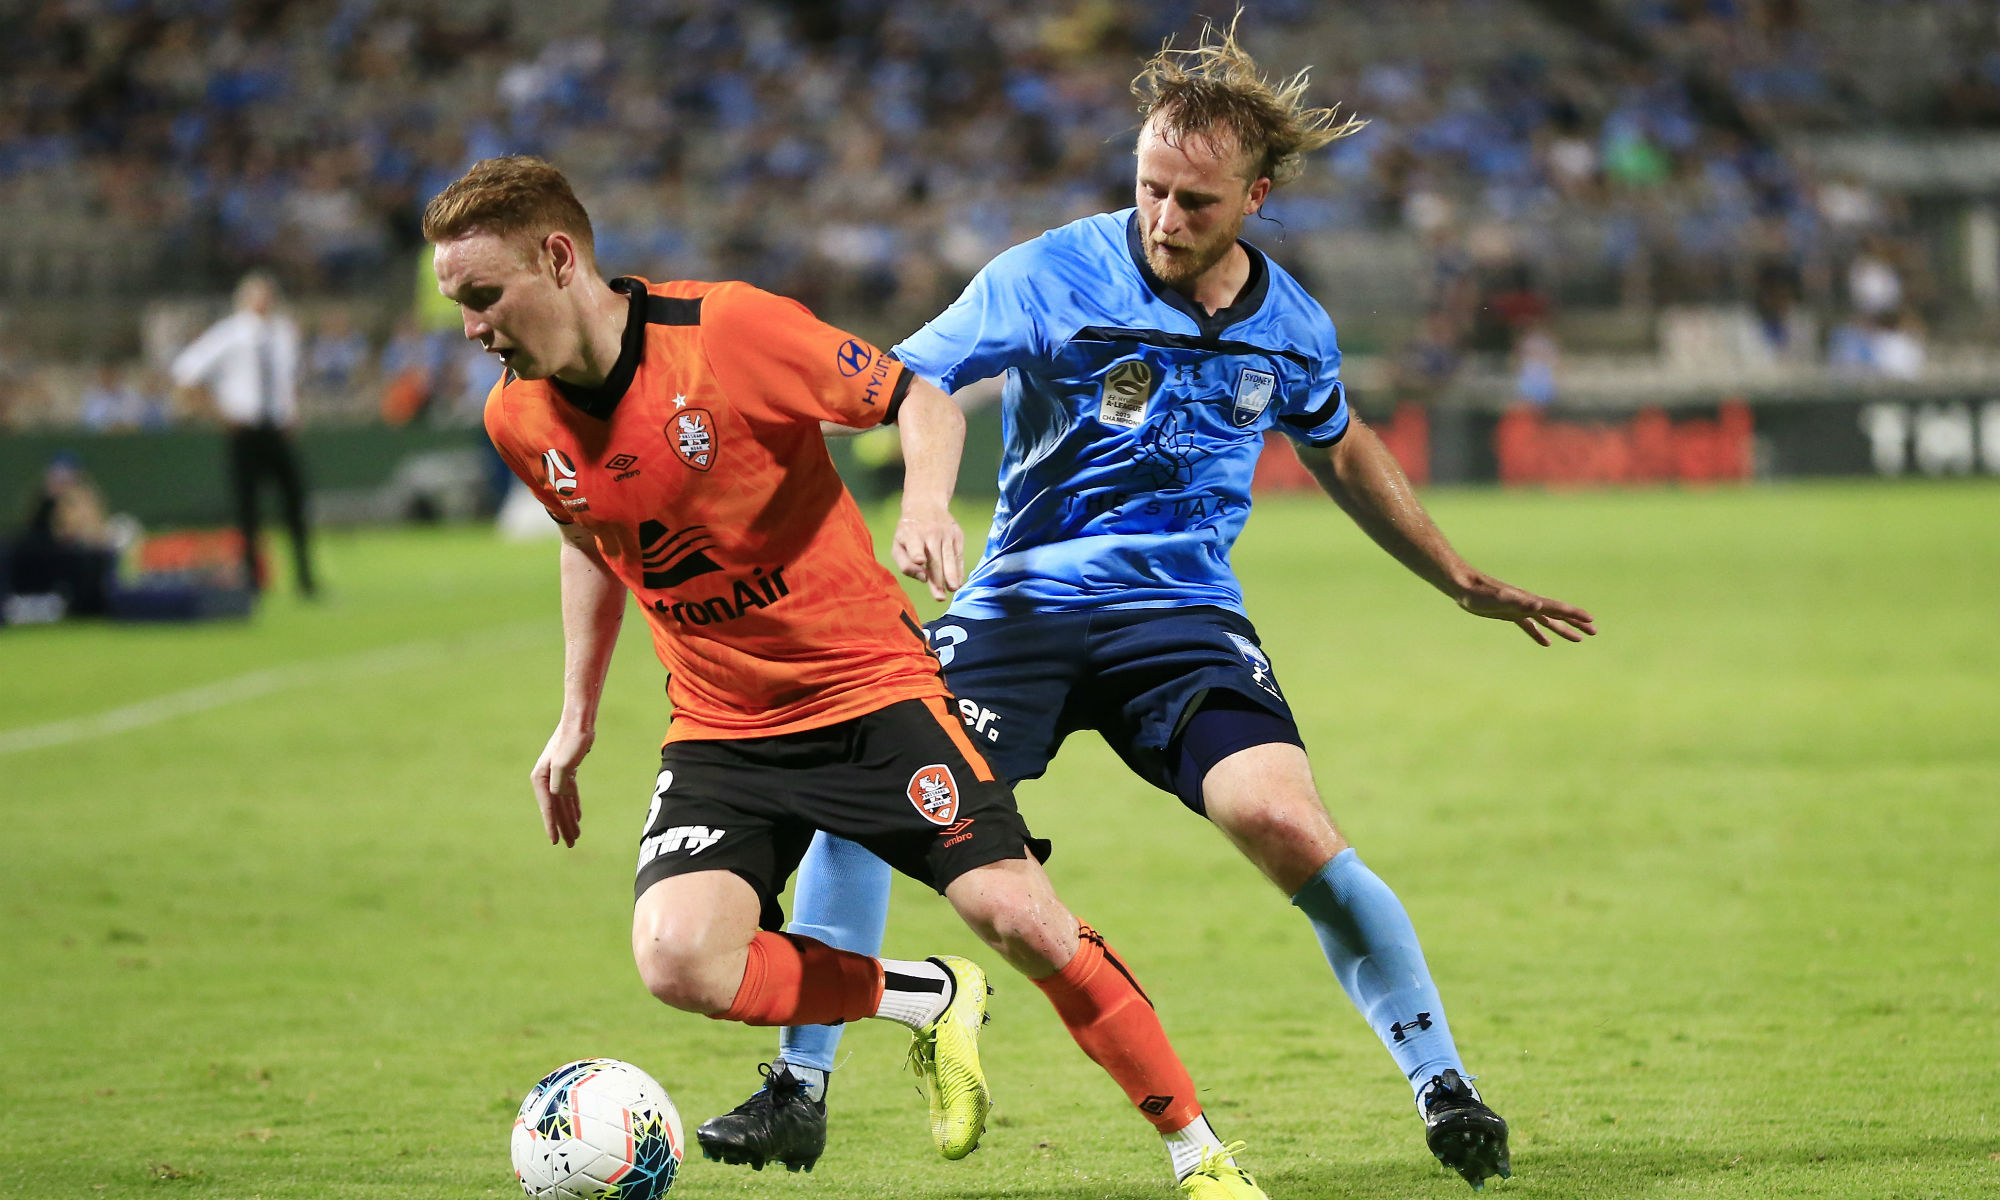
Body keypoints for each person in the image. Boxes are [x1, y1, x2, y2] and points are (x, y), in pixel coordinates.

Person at [710, 20, 1596, 1192]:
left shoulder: (1292, 324)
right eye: (1149, 190)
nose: (1165, 220)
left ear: (1256, 198)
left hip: (1178, 617)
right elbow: (916, 380)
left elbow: (1339, 446)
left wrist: (1457, 577)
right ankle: (798, 1088)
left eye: (1194, 201)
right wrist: (924, 502)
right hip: (1019, 605)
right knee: (872, 802)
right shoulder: (1050, 271)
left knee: (1285, 823)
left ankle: (1443, 1083)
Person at [423, 155, 1270, 1200]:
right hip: (721, 726)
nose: (470, 327)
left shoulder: (726, 331)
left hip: (869, 692)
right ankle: (924, 998)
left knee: (1022, 920)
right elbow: (588, 537)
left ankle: (1200, 1156)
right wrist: (574, 717)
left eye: (481, 296)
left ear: (558, 259)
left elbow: (922, 397)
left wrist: (922, 505)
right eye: (457, 304)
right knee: (678, 960)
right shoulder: (517, 420)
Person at [170, 271, 317, 597]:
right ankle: (252, 579)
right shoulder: (230, 334)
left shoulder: (283, 333)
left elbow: (289, 380)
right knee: (248, 509)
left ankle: (305, 577)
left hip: (277, 430)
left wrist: (292, 412)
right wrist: (218, 413)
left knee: (295, 504)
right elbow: (186, 371)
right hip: (245, 430)